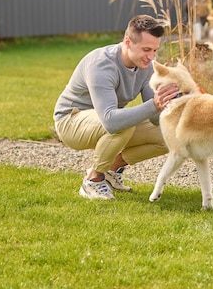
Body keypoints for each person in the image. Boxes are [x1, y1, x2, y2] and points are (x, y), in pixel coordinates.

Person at [53, 15, 179, 200]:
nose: (151, 57)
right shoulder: (102, 65)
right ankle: (92, 181)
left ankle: (112, 170)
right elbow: (111, 122)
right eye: (146, 49)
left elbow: (154, 119)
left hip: (106, 120)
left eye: (155, 50)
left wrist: (171, 101)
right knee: (122, 124)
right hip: (71, 121)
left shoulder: (146, 67)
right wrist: (154, 104)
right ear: (128, 42)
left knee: (171, 133)